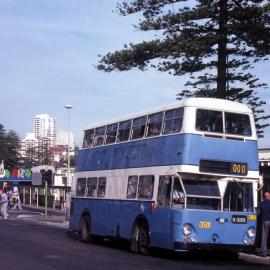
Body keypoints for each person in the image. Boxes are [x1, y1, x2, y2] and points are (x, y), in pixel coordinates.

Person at [258, 192, 270, 257]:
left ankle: (264, 252)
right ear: (268, 196)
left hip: (265, 221)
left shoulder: (261, 204)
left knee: (264, 236)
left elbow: (258, 213)